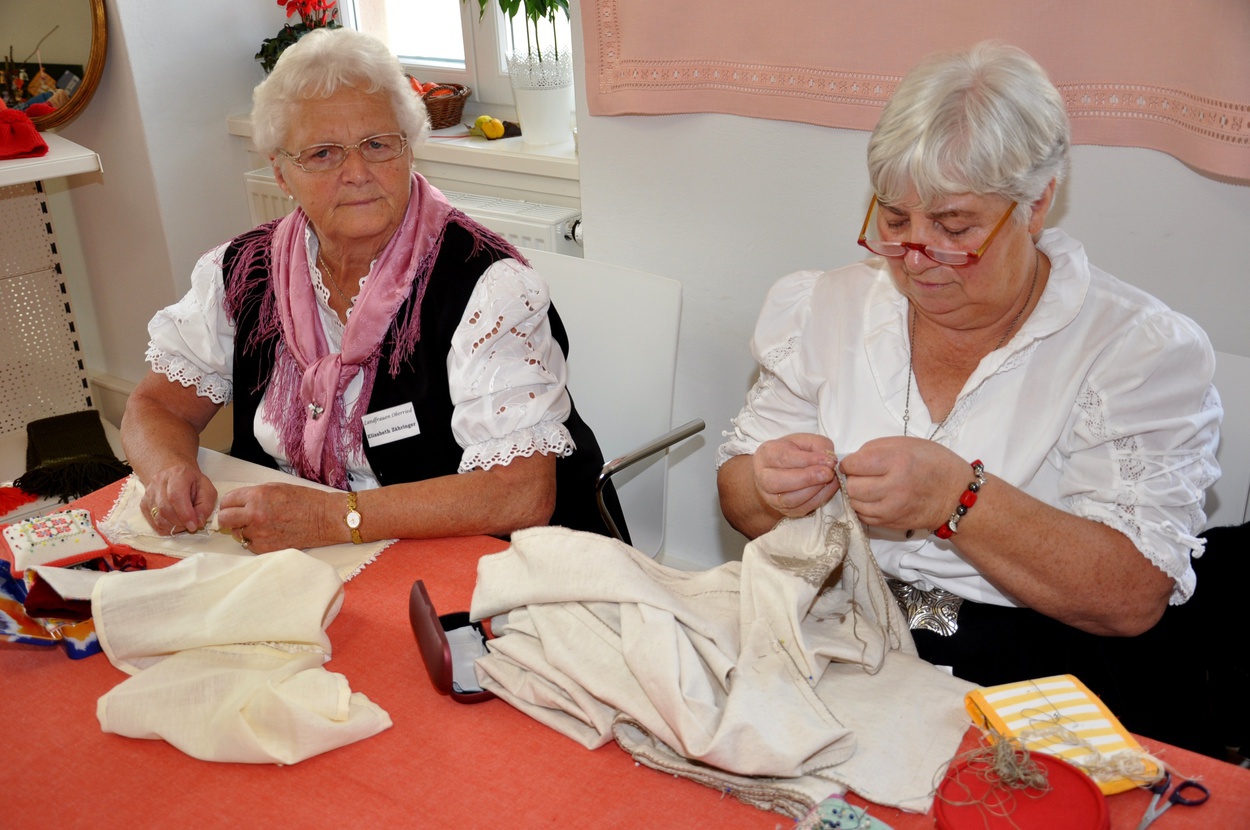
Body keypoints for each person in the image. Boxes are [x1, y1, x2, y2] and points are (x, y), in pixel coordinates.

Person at [717, 42, 1221, 723]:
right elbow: (740, 502)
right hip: (845, 633)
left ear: (1037, 204)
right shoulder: (825, 307)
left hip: (1045, 665)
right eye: (895, 220)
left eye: (954, 228)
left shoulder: (1135, 349)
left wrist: (959, 498)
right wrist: (768, 485)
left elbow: (1132, 596)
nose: (916, 258)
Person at [122, 28, 623, 553]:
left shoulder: (489, 287)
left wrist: (332, 518)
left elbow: (519, 494)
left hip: (481, 554)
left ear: (409, 150)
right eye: (323, 154)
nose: (357, 173)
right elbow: (157, 405)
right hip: (305, 550)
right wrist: (169, 471)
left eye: (378, 145)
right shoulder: (241, 272)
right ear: (281, 174)